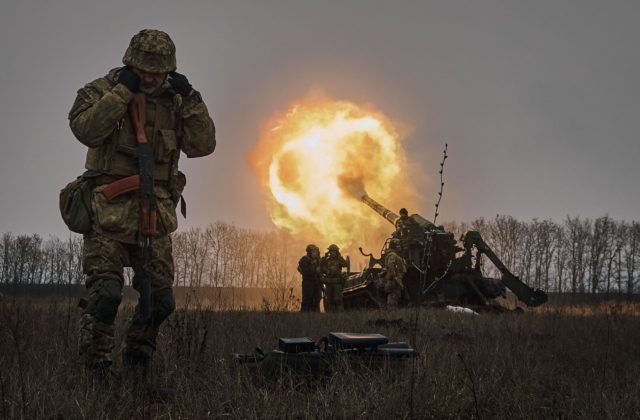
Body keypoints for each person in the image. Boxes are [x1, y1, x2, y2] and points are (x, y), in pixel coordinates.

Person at [68, 29, 216, 386]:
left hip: (156, 214)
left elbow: (203, 145)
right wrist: (122, 92)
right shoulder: (102, 90)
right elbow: (85, 129)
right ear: (131, 63)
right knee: (106, 296)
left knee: (161, 302)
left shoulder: (177, 101)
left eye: (159, 72)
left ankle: (137, 365)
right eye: (145, 70)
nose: (151, 78)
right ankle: (96, 374)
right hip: (109, 214)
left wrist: (191, 98)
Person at [320, 244, 349, 312]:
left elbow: (345, 264)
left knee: (337, 299)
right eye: (331, 251)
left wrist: (340, 257)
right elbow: (320, 266)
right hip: (328, 282)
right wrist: (324, 258)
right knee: (329, 300)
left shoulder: (339, 259)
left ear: (337, 252)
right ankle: (330, 314)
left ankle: (339, 314)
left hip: (337, 282)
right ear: (329, 252)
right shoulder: (326, 260)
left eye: (334, 251)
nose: (333, 253)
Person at [297, 244, 322, 312]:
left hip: (317, 283)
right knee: (307, 300)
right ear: (309, 252)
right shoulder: (304, 259)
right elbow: (305, 271)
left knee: (317, 299)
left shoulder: (318, 260)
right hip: (308, 283)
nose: (315, 253)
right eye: (313, 251)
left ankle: (316, 317)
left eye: (316, 252)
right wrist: (315, 270)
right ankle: (305, 316)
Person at [383, 240, 407, 307]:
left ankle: (393, 311)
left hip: (395, 279)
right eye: (398, 245)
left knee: (396, 295)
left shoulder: (395, 255)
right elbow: (391, 266)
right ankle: (391, 311)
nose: (399, 247)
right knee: (393, 295)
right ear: (394, 247)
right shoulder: (393, 255)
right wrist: (396, 278)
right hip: (394, 280)